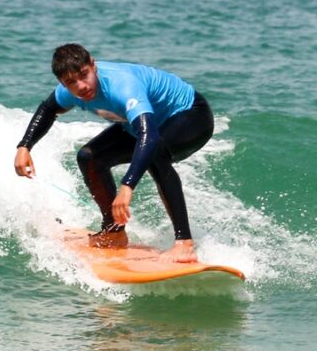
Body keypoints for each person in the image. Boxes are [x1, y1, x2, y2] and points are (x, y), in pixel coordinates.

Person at [13, 43, 213, 263]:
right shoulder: (69, 92)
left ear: (93, 65)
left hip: (191, 116)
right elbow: (48, 109)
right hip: (142, 125)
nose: (81, 86)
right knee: (89, 157)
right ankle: (114, 232)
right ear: (63, 83)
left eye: (84, 75)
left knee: (155, 152)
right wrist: (24, 146)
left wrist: (127, 186)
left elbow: (150, 136)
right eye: (71, 82)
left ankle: (184, 244)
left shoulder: (122, 85)